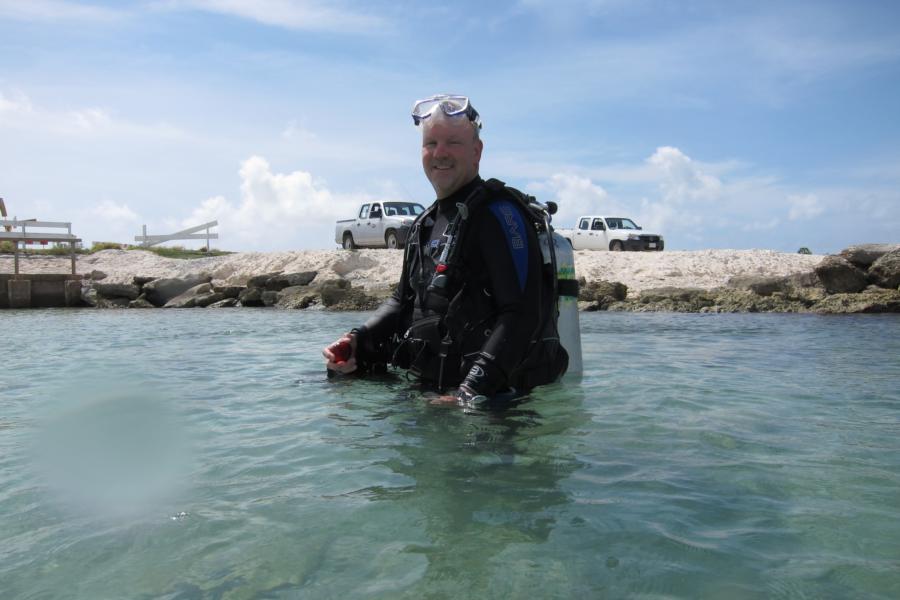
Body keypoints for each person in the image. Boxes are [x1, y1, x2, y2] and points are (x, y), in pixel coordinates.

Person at [323, 94, 567, 406]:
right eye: (431, 143)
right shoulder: (424, 224)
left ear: (477, 152)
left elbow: (521, 313)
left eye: (453, 142)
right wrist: (357, 339)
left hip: (496, 406)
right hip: (435, 395)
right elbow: (402, 302)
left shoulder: (500, 215)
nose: (440, 153)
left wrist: (469, 393)